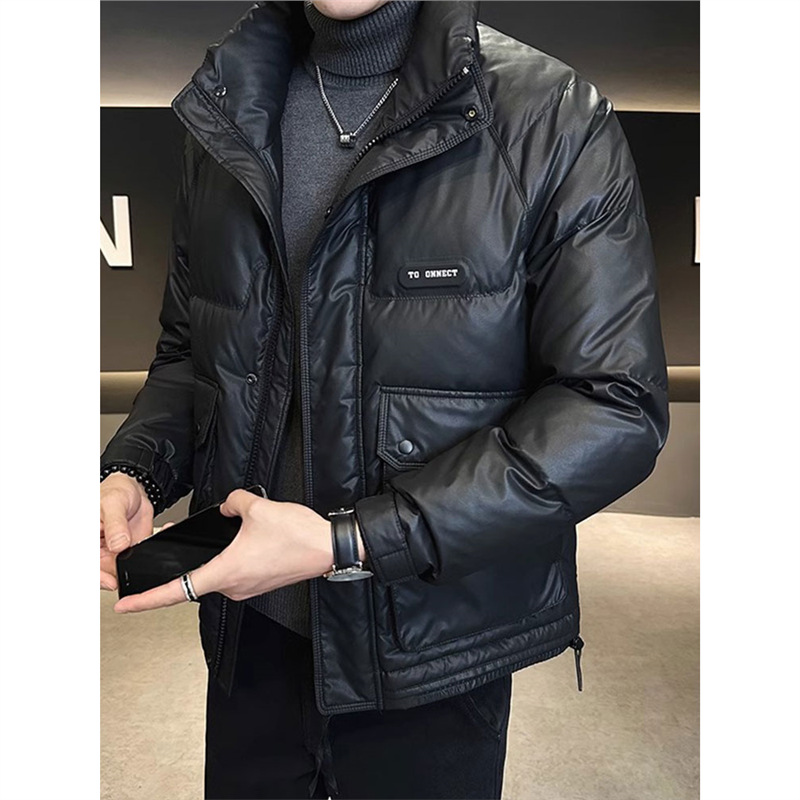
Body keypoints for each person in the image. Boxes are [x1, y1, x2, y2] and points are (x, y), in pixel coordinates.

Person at [100, 1, 670, 797]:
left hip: (433, 645)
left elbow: (613, 406)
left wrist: (354, 540)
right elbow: (194, 353)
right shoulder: (227, 109)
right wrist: (136, 470)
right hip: (249, 634)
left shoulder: (551, 117)